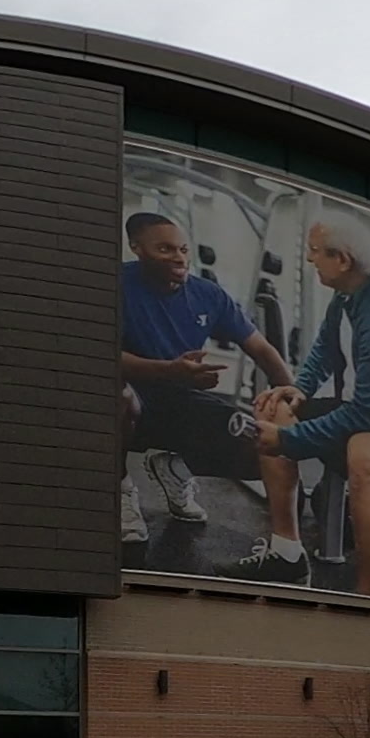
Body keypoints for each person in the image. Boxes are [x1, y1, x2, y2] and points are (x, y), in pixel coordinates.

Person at [116, 208, 304, 574]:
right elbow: (103, 354)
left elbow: (261, 348)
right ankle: (121, 491)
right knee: (117, 398)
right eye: (165, 249)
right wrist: (169, 370)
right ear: (136, 248)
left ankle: (175, 467)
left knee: (262, 450)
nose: (179, 258)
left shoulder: (207, 295)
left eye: (183, 249)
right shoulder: (116, 284)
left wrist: (288, 394)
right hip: (128, 398)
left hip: (180, 400)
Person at [248, 219, 370, 591]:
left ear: (342, 260)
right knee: (274, 408)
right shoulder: (345, 296)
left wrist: (288, 441)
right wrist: (299, 389)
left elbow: (369, 412)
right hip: (354, 410)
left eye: (314, 252)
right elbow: (325, 349)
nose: (310, 260)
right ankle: (287, 552)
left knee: (364, 458)